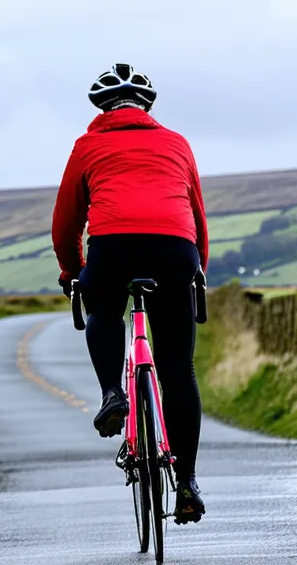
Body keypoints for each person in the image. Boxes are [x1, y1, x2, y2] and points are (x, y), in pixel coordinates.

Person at [50, 63, 209, 524]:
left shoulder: (88, 146)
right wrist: (197, 271)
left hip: (112, 246)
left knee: (103, 309)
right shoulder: (176, 143)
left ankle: (112, 394)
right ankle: (188, 482)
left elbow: (66, 220)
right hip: (175, 249)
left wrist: (71, 271)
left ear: (101, 110)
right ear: (148, 107)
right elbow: (197, 214)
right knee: (179, 370)